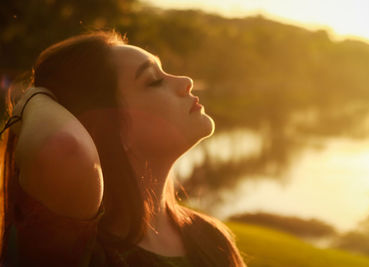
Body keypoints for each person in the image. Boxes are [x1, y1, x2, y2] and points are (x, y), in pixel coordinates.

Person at [0, 30, 247, 266]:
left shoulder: (212, 239)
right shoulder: (77, 250)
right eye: (154, 81)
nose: (186, 81)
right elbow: (63, 148)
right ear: (113, 129)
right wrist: (32, 97)